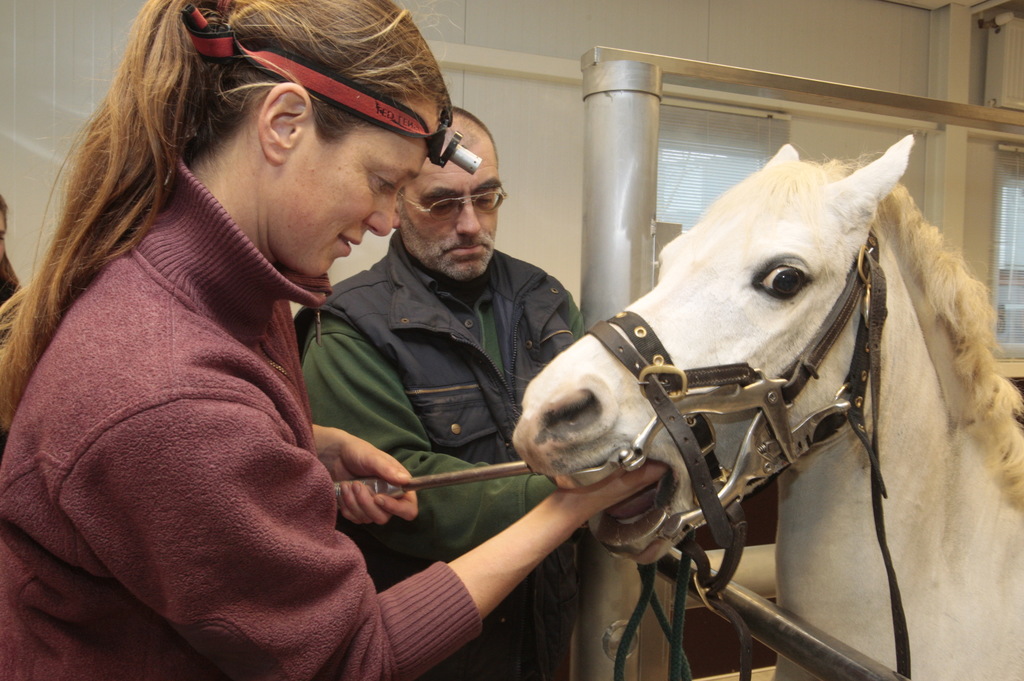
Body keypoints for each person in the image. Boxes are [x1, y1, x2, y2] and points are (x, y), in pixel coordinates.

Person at [0, 2, 666, 680]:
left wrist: (304, 451)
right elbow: (353, 656)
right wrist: (576, 502)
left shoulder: (240, 295)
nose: (383, 220)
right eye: (383, 183)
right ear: (284, 124)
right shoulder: (165, 392)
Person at [297, 108, 586, 681]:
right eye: (442, 203)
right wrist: (578, 492)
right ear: (395, 201)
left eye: (487, 198)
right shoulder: (351, 323)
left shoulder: (546, 300)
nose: (472, 223)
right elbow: (407, 495)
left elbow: (597, 427)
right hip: (434, 644)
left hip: (543, 625)